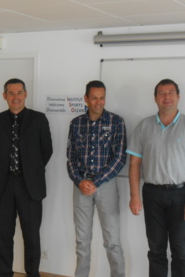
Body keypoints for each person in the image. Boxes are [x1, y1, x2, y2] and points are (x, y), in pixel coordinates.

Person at [127, 78, 185, 277]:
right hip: (152, 194)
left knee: (180, 250)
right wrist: (134, 196)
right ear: (155, 98)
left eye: (170, 92)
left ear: (178, 97)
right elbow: (134, 164)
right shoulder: (144, 126)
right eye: (161, 93)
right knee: (156, 250)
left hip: (182, 195)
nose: (166, 97)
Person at [0, 78, 53, 277]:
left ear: (25, 94)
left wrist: (30, 171)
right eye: (11, 93)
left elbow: (47, 151)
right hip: (4, 185)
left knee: (32, 237)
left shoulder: (39, 119)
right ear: (4, 96)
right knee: (4, 237)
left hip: (30, 187)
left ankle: (33, 274)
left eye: (19, 93)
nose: (15, 97)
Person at [67, 80, 126, 277]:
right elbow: (71, 158)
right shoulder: (76, 124)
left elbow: (119, 158)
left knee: (113, 242)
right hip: (81, 187)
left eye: (101, 98)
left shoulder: (116, 122)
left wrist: (96, 182)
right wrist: (80, 181)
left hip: (106, 186)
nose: (98, 102)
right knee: (82, 242)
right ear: (86, 99)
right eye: (94, 98)